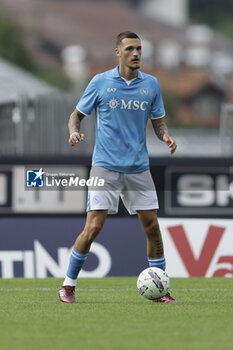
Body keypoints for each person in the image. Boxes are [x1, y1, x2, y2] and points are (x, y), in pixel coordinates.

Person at [59, 31, 178, 303]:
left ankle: (160, 289)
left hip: (138, 168)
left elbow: (158, 123)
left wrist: (166, 136)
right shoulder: (100, 82)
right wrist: (73, 132)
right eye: (130, 49)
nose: (136, 54)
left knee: (152, 227)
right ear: (118, 52)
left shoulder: (152, 85)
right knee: (94, 227)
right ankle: (68, 284)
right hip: (105, 167)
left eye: (139, 49)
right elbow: (76, 115)